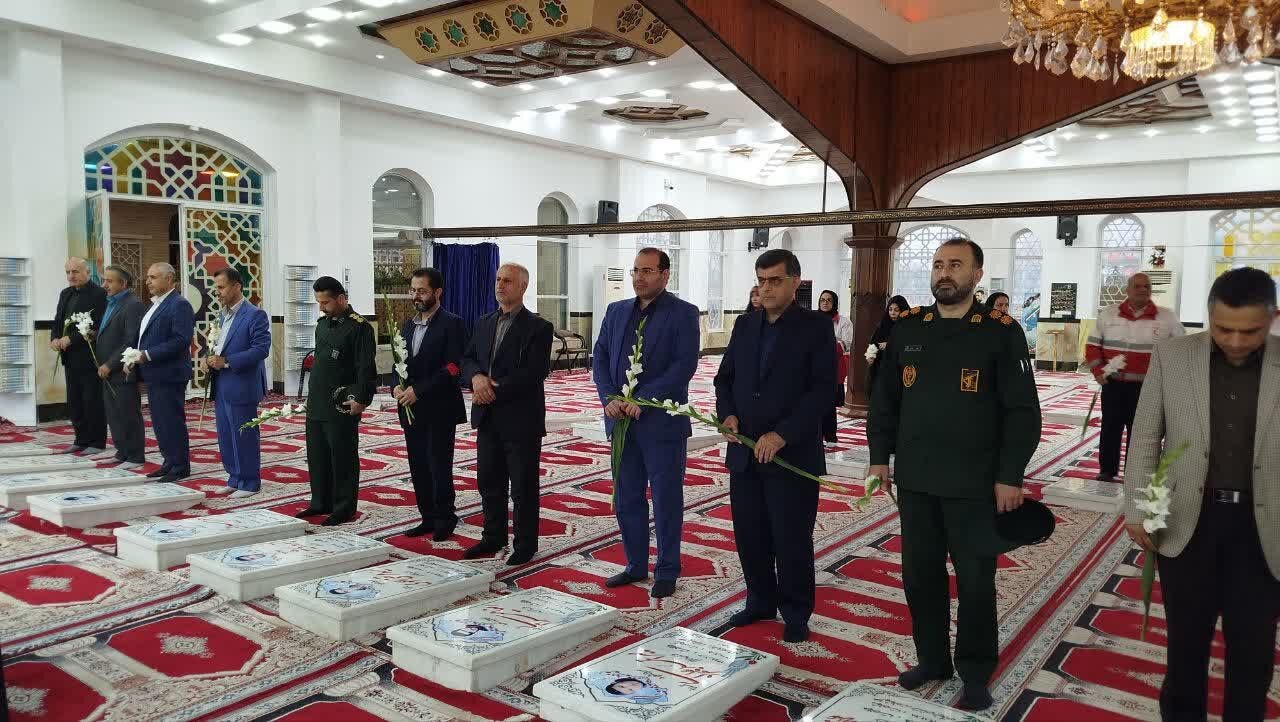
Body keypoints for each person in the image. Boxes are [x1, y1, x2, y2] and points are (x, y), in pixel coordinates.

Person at [867, 238, 1041, 712]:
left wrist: (1010, 475)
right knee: (920, 577)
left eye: (956, 265)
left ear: (977, 275)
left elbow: (1022, 411)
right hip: (917, 480)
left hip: (975, 483)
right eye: (939, 264)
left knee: (975, 582)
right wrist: (879, 457)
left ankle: (976, 671)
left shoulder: (1000, 332)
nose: (944, 273)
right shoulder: (909, 328)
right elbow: (885, 401)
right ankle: (932, 660)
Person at [1124, 267, 1280, 722]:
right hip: (1190, 522)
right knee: (1185, 646)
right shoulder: (1173, 356)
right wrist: (1137, 507)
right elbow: (1145, 436)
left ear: (1272, 318)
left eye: (1249, 331)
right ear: (1209, 316)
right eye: (1223, 328)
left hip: (1264, 528)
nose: (1235, 341)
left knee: (1253, 650)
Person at [714, 248, 835, 643]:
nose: (766, 288)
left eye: (775, 281)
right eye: (761, 281)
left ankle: (796, 611)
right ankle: (760, 600)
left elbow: (822, 391)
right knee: (750, 534)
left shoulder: (815, 327)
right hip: (745, 453)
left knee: (791, 537)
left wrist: (783, 434)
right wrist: (728, 416)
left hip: (791, 454)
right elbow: (724, 380)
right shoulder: (745, 325)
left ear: (795, 282)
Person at [592, 248, 699, 598]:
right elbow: (600, 357)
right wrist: (609, 398)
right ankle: (635, 564)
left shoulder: (683, 313)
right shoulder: (616, 310)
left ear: (665, 275)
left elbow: (683, 366)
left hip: (661, 424)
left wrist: (644, 399)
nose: (639, 277)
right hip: (620, 421)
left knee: (666, 499)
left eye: (648, 271)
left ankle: (667, 569)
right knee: (627, 497)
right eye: (636, 270)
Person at [460, 263, 553, 565]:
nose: (500, 285)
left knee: (523, 487)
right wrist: (476, 378)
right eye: (498, 279)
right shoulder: (484, 322)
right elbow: (468, 358)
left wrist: (490, 389)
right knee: (489, 482)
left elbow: (534, 372)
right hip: (487, 416)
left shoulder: (538, 327)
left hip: (520, 419)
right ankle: (492, 537)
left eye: (508, 281)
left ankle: (525, 545)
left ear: (523, 287)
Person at [1083, 272, 1184, 482]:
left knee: (1141, 432)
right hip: (1114, 385)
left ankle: (1134, 472)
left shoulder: (1167, 317)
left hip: (1148, 388)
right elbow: (1093, 346)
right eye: (1137, 286)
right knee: (1110, 427)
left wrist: (1171, 380)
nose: (1142, 289)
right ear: (1127, 289)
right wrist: (1098, 371)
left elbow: (1181, 349)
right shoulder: (1108, 314)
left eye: (1147, 286)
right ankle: (1107, 470)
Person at [296, 276, 377, 526]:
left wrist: (361, 398)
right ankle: (320, 501)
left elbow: (365, 367)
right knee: (317, 455)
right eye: (319, 302)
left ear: (341, 299)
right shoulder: (322, 325)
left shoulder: (359, 327)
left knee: (342, 458)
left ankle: (343, 507)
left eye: (326, 302)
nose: (321, 308)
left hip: (341, 403)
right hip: (317, 402)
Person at [395, 267, 468, 541]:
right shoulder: (408, 324)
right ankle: (427, 517)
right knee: (418, 465)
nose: (416, 296)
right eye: (413, 290)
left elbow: (454, 366)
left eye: (422, 291)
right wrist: (396, 385)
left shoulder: (452, 323)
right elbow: (400, 361)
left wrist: (420, 390)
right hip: (410, 408)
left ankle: (445, 518)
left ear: (437, 292)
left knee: (438, 465)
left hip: (439, 408)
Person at [203, 268, 270, 499]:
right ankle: (234, 478)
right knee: (225, 434)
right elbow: (217, 346)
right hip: (222, 383)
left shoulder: (255, 315)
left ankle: (249, 483)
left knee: (244, 434)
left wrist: (227, 361)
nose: (217, 292)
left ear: (237, 286)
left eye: (221, 287)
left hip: (242, 384)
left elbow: (261, 350)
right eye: (216, 287)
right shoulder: (221, 316)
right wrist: (208, 359)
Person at [135, 262, 195, 483]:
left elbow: (181, 340)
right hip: (155, 374)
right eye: (148, 277)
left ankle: (180, 466)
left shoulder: (179, 304)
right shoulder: (156, 304)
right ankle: (169, 462)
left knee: (171, 421)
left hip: (169, 374)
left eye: (153, 277)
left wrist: (148, 354)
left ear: (169, 279)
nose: (147, 282)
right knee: (160, 422)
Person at [51, 257, 108, 455]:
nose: (71, 276)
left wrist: (71, 339)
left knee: (92, 400)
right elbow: (58, 320)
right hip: (69, 357)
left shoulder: (99, 293)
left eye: (75, 271)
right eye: (68, 272)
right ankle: (80, 439)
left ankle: (96, 442)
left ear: (87, 271)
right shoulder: (65, 293)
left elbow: (97, 325)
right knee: (75, 401)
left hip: (89, 357)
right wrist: (54, 338)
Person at [96, 265, 147, 469]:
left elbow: (130, 340)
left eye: (109, 281)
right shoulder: (112, 303)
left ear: (123, 283)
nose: (104, 285)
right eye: (104, 280)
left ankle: (135, 456)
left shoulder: (132, 305)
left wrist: (110, 363)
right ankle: (122, 452)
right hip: (108, 372)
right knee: (114, 414)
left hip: (122, 371)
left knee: (128, 413)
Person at [818, 289, 853, 447]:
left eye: (829, 300)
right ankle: (815, 436)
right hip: (814, 368)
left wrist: (826, 344)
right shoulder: (813, 320)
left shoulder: (843, 322)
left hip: (833, 369)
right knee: (814, 403)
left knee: (829, 404)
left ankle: (831, 437)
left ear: (834, 303)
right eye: (822, 300)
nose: (825, 303)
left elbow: (845, 345)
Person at [866, 295, 909, 394]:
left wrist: (889, 345)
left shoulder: (908, 327)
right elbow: (873, 343)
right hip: (882, 368)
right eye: (890, 309)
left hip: (899, 370)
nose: (892, 313)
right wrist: (870, 355)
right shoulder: (883, 325)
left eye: (896, 310)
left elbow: (909, 345)